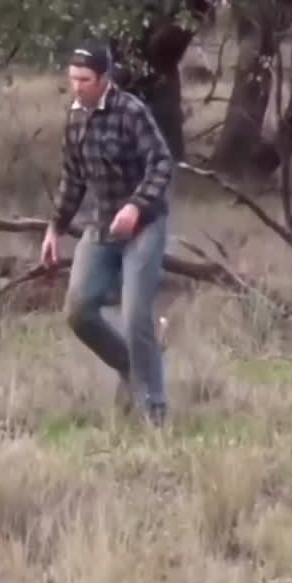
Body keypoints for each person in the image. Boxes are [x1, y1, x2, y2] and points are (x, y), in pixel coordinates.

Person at [41, 42, 175, 426]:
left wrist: (136, 207)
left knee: (136, 315)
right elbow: (72, 178)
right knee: (78, 310)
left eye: (84, 80)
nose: (77, 87)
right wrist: (55, 229)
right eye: (72, 79)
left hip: (143, 225)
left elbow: (162, 162)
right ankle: (133, 369)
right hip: (102, 226)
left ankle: (155, 410)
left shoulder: (131, 112)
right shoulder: (74, 118)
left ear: (104, 79)